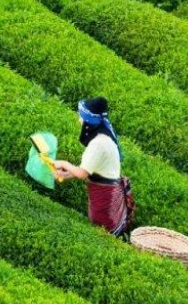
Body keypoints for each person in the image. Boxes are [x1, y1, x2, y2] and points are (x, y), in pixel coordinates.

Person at [53, 97, 135, 236]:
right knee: (101, 230)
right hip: (107, 190)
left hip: (105, 196)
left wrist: (63, 164)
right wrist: (65, 175)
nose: (79, 120)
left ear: (89, 122)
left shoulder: (98, 144)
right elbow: (93, 169)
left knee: (102, 231)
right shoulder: (104, 136)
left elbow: (82, 173)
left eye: (81, 117)